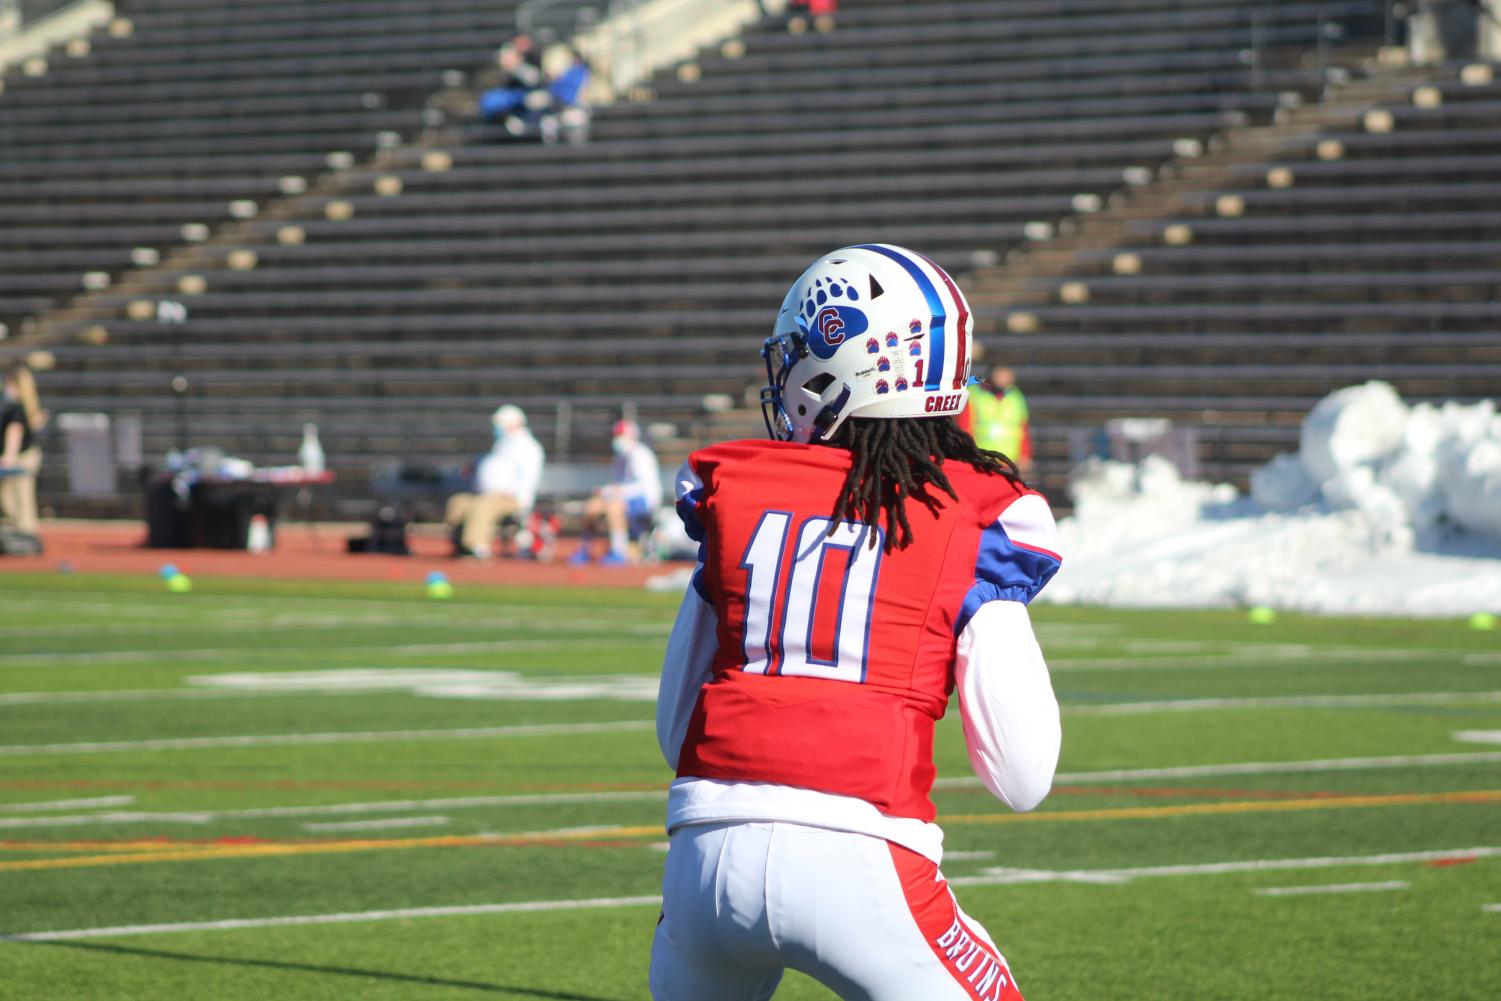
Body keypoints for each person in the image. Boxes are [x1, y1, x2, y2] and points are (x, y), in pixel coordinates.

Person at [651, 244, 1062, 1000]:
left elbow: (674, 730)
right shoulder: (973, 512)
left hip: (702, 857)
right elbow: (1021, 777)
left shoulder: (735, 487)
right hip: (866, 856)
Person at [443, 404, 544, 559]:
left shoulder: (527, 447)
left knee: (482, 505)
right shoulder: (501, 445)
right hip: (485, 495)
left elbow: (529, 477)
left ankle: (477, 547)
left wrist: (524, 502)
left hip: (509, 498)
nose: (496, 428)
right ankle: (459, 544)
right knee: (458, 502)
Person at [572, 419, 661, 566]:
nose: (617, 440)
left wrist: (615, 491)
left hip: (644, 500)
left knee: (614, 507)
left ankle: (619, 552)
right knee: (592, 506)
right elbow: (619, 483)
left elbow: (643, 487)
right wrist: (607, 491)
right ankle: (585, 549)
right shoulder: (620, 457)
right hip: (626, 497)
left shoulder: (641, 454)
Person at [0, 364, 46, 541]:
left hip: (21, 457)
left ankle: (28, 536)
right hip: (29, 454)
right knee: (13, 496)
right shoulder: (29, 404)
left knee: (21, 497)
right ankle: (23, 530)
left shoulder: (16, 407)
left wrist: (8, 457)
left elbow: (15, 432)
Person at [966, 364, 1032, 477]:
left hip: (1010, 461)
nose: (1003, 379)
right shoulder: (974, 395)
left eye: (1007, 376)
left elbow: (1023, 428)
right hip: (983, 460)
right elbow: (965, 427)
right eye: (1000, 375)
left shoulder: (1016, 396)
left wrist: (1025, 454)